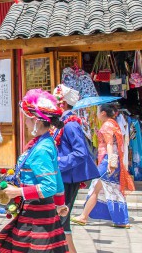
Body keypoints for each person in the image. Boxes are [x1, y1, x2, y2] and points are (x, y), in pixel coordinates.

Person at [0, 89, 68, 253]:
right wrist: (59, 204)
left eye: (27, 119)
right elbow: (57, 178)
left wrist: (18, 192)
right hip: (38, 212)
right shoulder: (44, 143)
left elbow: (49, 186)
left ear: (36, 120)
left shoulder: (42, 149)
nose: (25, 123)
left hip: (37, 216)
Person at [52, 84, 100, 252]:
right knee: (59, 219)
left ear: (63, 104)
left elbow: (80, 153)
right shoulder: (65, 122)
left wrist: (58, 162)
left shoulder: (71, 124)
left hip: (67, 177)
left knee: (62, 219)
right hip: (63, 176)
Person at [71, 103, 135, 228]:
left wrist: (110, 161)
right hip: (114, 160)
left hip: (108, 160)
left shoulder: (106, 125)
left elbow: (110, 144)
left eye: (99, 111)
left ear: (103, 113)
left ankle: (84, 216)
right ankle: (122, 220)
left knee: (96, 187)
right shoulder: (114, 124)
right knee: (114, 189)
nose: (98, 114)